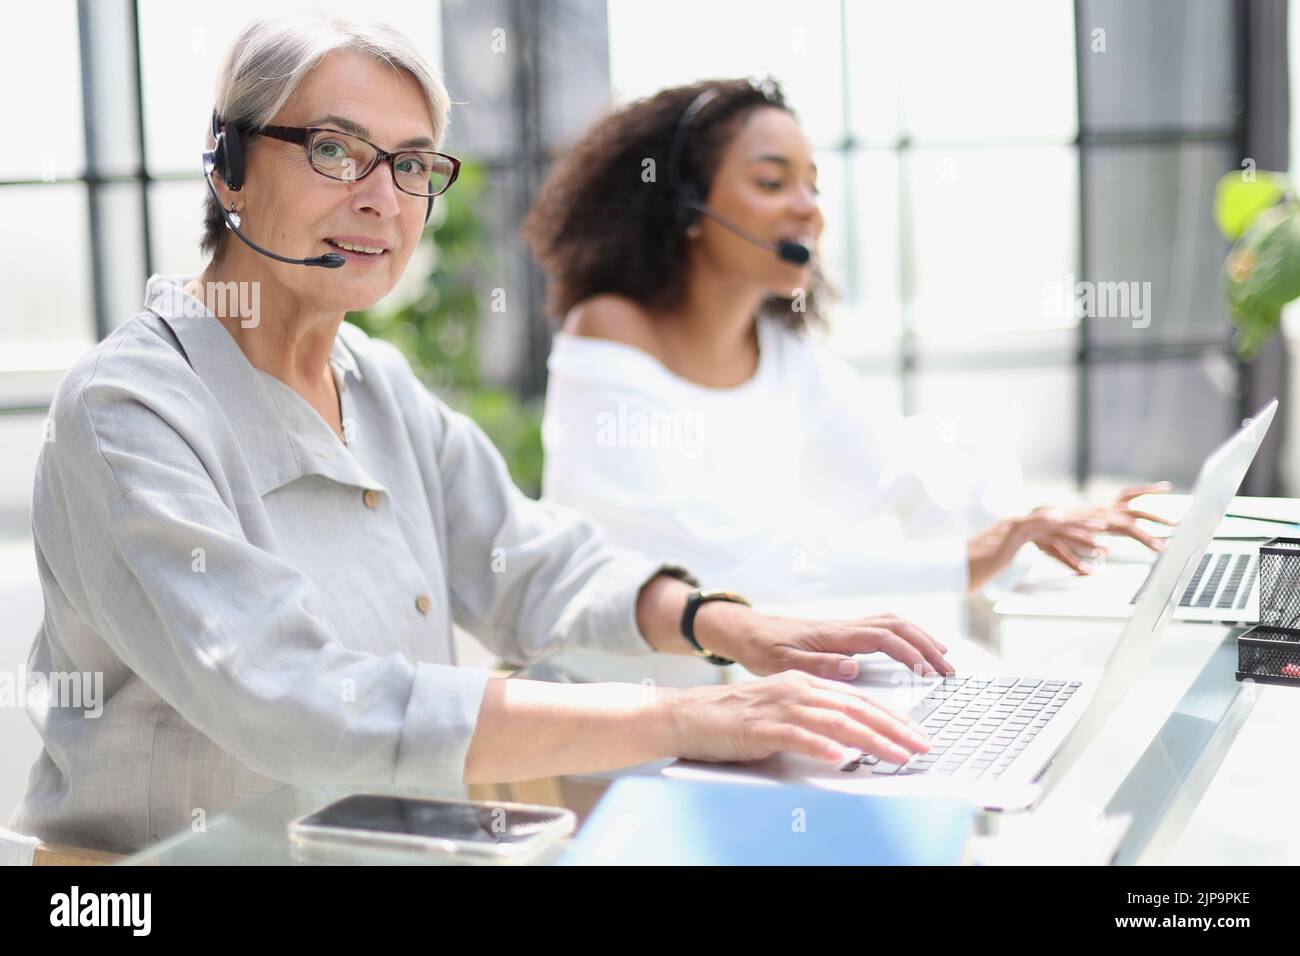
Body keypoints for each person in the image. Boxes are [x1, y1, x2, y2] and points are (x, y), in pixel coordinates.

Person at [10, 19, 951, 855]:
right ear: (228, 166)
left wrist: (728, 625)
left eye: (414, 164)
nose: (384, 199)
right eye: (337, 150)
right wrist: (687, 716)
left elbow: (529, 561)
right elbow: (291, 699)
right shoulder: (128, 410)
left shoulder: (374, 382)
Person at [524, 77, 1171, 686]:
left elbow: (901, 465)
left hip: (742, 704)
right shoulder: (608, 333)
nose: (808, 210)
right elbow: (717, 559)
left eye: (813, 186)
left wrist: (1040, 525)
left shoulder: (780, 351)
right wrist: (966, 560)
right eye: (773, 182)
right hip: (626, 717)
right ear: (688, 205)